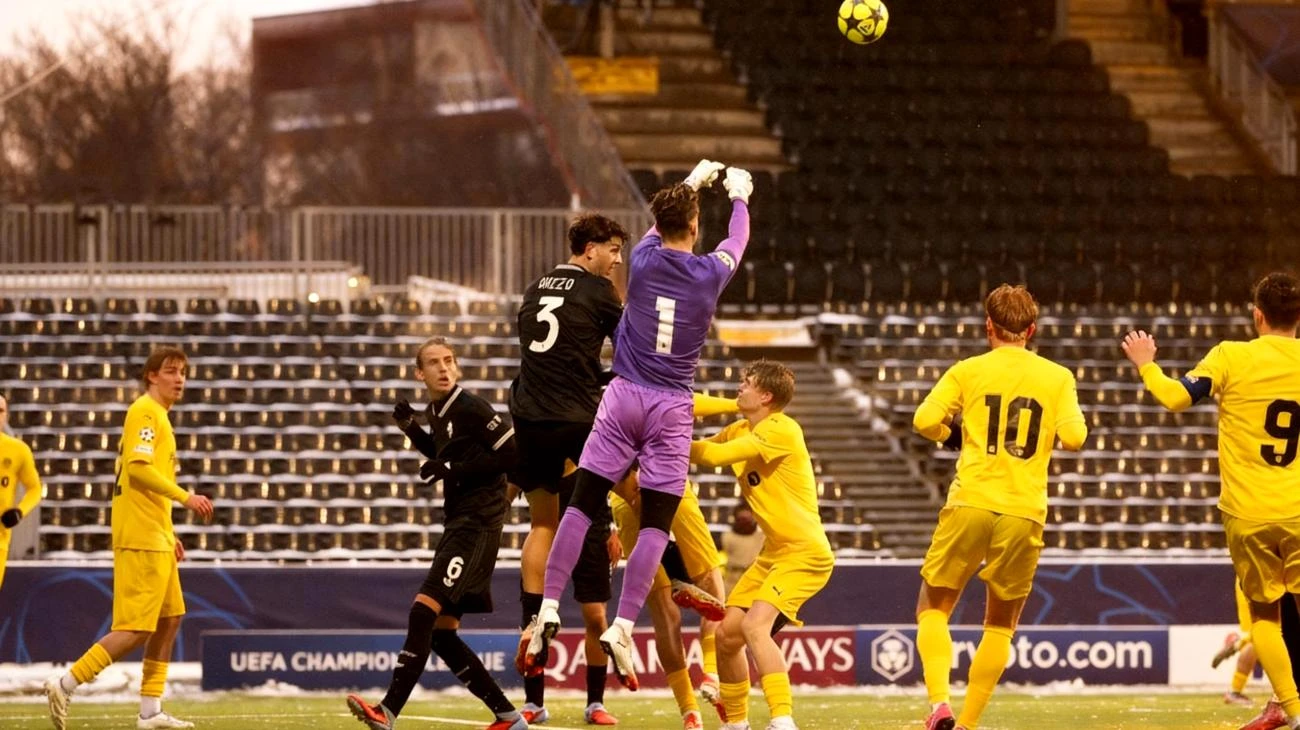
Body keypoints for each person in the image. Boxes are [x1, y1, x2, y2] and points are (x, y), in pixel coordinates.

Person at [526, 159, 753, 691]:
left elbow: (658, 224)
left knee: (580, 505)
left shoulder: (645, 258)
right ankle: (624, 625)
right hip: (672, 405)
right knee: (657, 521)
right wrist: (740, 197)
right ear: (695, 229)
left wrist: (690, 186)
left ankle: (548, 608)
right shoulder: (711, 271)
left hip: (624, 393)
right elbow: (736, 241)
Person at [1123, 272, 1300, 730]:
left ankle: (1293, 710)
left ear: (1257, 315)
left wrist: (1146, 364)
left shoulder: (1230, 356)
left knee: (1264, 615)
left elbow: (1176, 398)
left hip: (1249, 511)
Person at [913, 284, 1087, 730]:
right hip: (1023, 509)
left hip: (971, 499)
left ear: (988, 325)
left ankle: (939, 705)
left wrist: (950, 436)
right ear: (1031, 330)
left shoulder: (968, 370)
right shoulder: (1057, 376)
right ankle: (968, 724)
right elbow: (1075, 437)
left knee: (932, 608)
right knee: (1001, 623)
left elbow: (923, 420)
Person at [346, 338, 526, 730]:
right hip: (460, 522)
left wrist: (454, 470)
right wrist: (411, 428)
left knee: (422, 610)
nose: (443, 369)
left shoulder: (471, 407)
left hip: (477, 524)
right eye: (434, 363)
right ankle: (509, 717)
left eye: (448, 361)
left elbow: (512, 455)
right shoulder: (437, 410)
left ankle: (388, 711)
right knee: (443, 635)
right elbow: (445, 451)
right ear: (419, 374)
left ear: (457, 368)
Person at [44, 348, 215, 730]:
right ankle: (64, 683)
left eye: (184, 372)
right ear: (151, 376)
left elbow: (141, 478)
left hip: (155, 532)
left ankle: (150, 712)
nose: (180, 378)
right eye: (171, 371)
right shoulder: (145, 412)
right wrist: (185, 497)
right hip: (139, 534)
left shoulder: (159, 417)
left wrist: (169, 533)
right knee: (137, 627)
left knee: (171, 618)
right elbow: (138, 471)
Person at [508, 212, 627, 725]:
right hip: (577, 418)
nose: (618, 260)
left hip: (529, 417)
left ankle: (534, 672)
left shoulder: (535, 288)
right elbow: (630, 350)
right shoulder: (600, 292)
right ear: (590, 249)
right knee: (613, 498)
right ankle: (666, 561)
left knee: (541, 523)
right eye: (613, 250)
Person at [688, 360, 834, 730]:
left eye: (747, 383)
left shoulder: (783, 428)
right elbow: (699, 443)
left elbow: (713, 456)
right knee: (726, 636)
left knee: (755, 627)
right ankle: (736, 724)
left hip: (805, 552)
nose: (740, 387)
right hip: (773, 554)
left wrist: (665, 438)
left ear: (766, 395)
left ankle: (783, 721)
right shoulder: (741, 427)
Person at [611, 469, 728, 730]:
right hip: (669, 483)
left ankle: (690, 714)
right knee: (714, 591)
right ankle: (711, 674)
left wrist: (608, 525)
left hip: (622, 501)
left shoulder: (605, 428)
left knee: (664, 616)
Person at [0, 394, 42, 591]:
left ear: (6, 415)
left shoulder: (17, 450)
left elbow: (35, 488)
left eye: (0, 411)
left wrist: (19, 511)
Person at [1217, 581, 1260, 705]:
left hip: (1251, 575)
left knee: (1257, 635)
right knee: (1258, 635)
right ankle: (1235, 691)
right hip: (1259, 577)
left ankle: (1238, 644)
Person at [720, 501, 764, 595]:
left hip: (754, 583)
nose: (745, 523)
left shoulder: (762, 537)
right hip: (731, 582)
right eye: (742, 519)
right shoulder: (727, 536)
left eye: (748, 519)